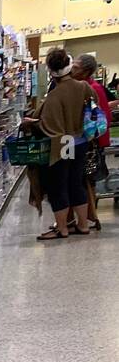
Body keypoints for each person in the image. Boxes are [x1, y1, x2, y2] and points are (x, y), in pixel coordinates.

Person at [23, 48, 93, 241]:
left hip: (63, 143)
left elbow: (50, 126)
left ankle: (61, 229)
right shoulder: (83, 87)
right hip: (81, 141)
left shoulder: (55, 95)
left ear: (51, 70)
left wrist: (32, 122)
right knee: (76, 183)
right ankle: (84, 224)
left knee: (58, 186)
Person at [72, 53, 110, 230]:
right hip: (83, 141)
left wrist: (95, 140)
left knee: (88, 180)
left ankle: (91, 216)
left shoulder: (93, 88)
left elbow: (101, 119)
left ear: (86, 70)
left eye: (77, 66)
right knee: (83, 180)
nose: (73, 68)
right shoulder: (80, 86)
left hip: (91, 142)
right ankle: (88, 216)